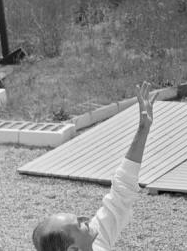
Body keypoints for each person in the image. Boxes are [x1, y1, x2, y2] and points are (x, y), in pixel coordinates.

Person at [31, 82, 157, 251]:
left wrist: (143, 129)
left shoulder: (95, 243)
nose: (86, 218)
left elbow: (122, 190)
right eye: (78, 224)